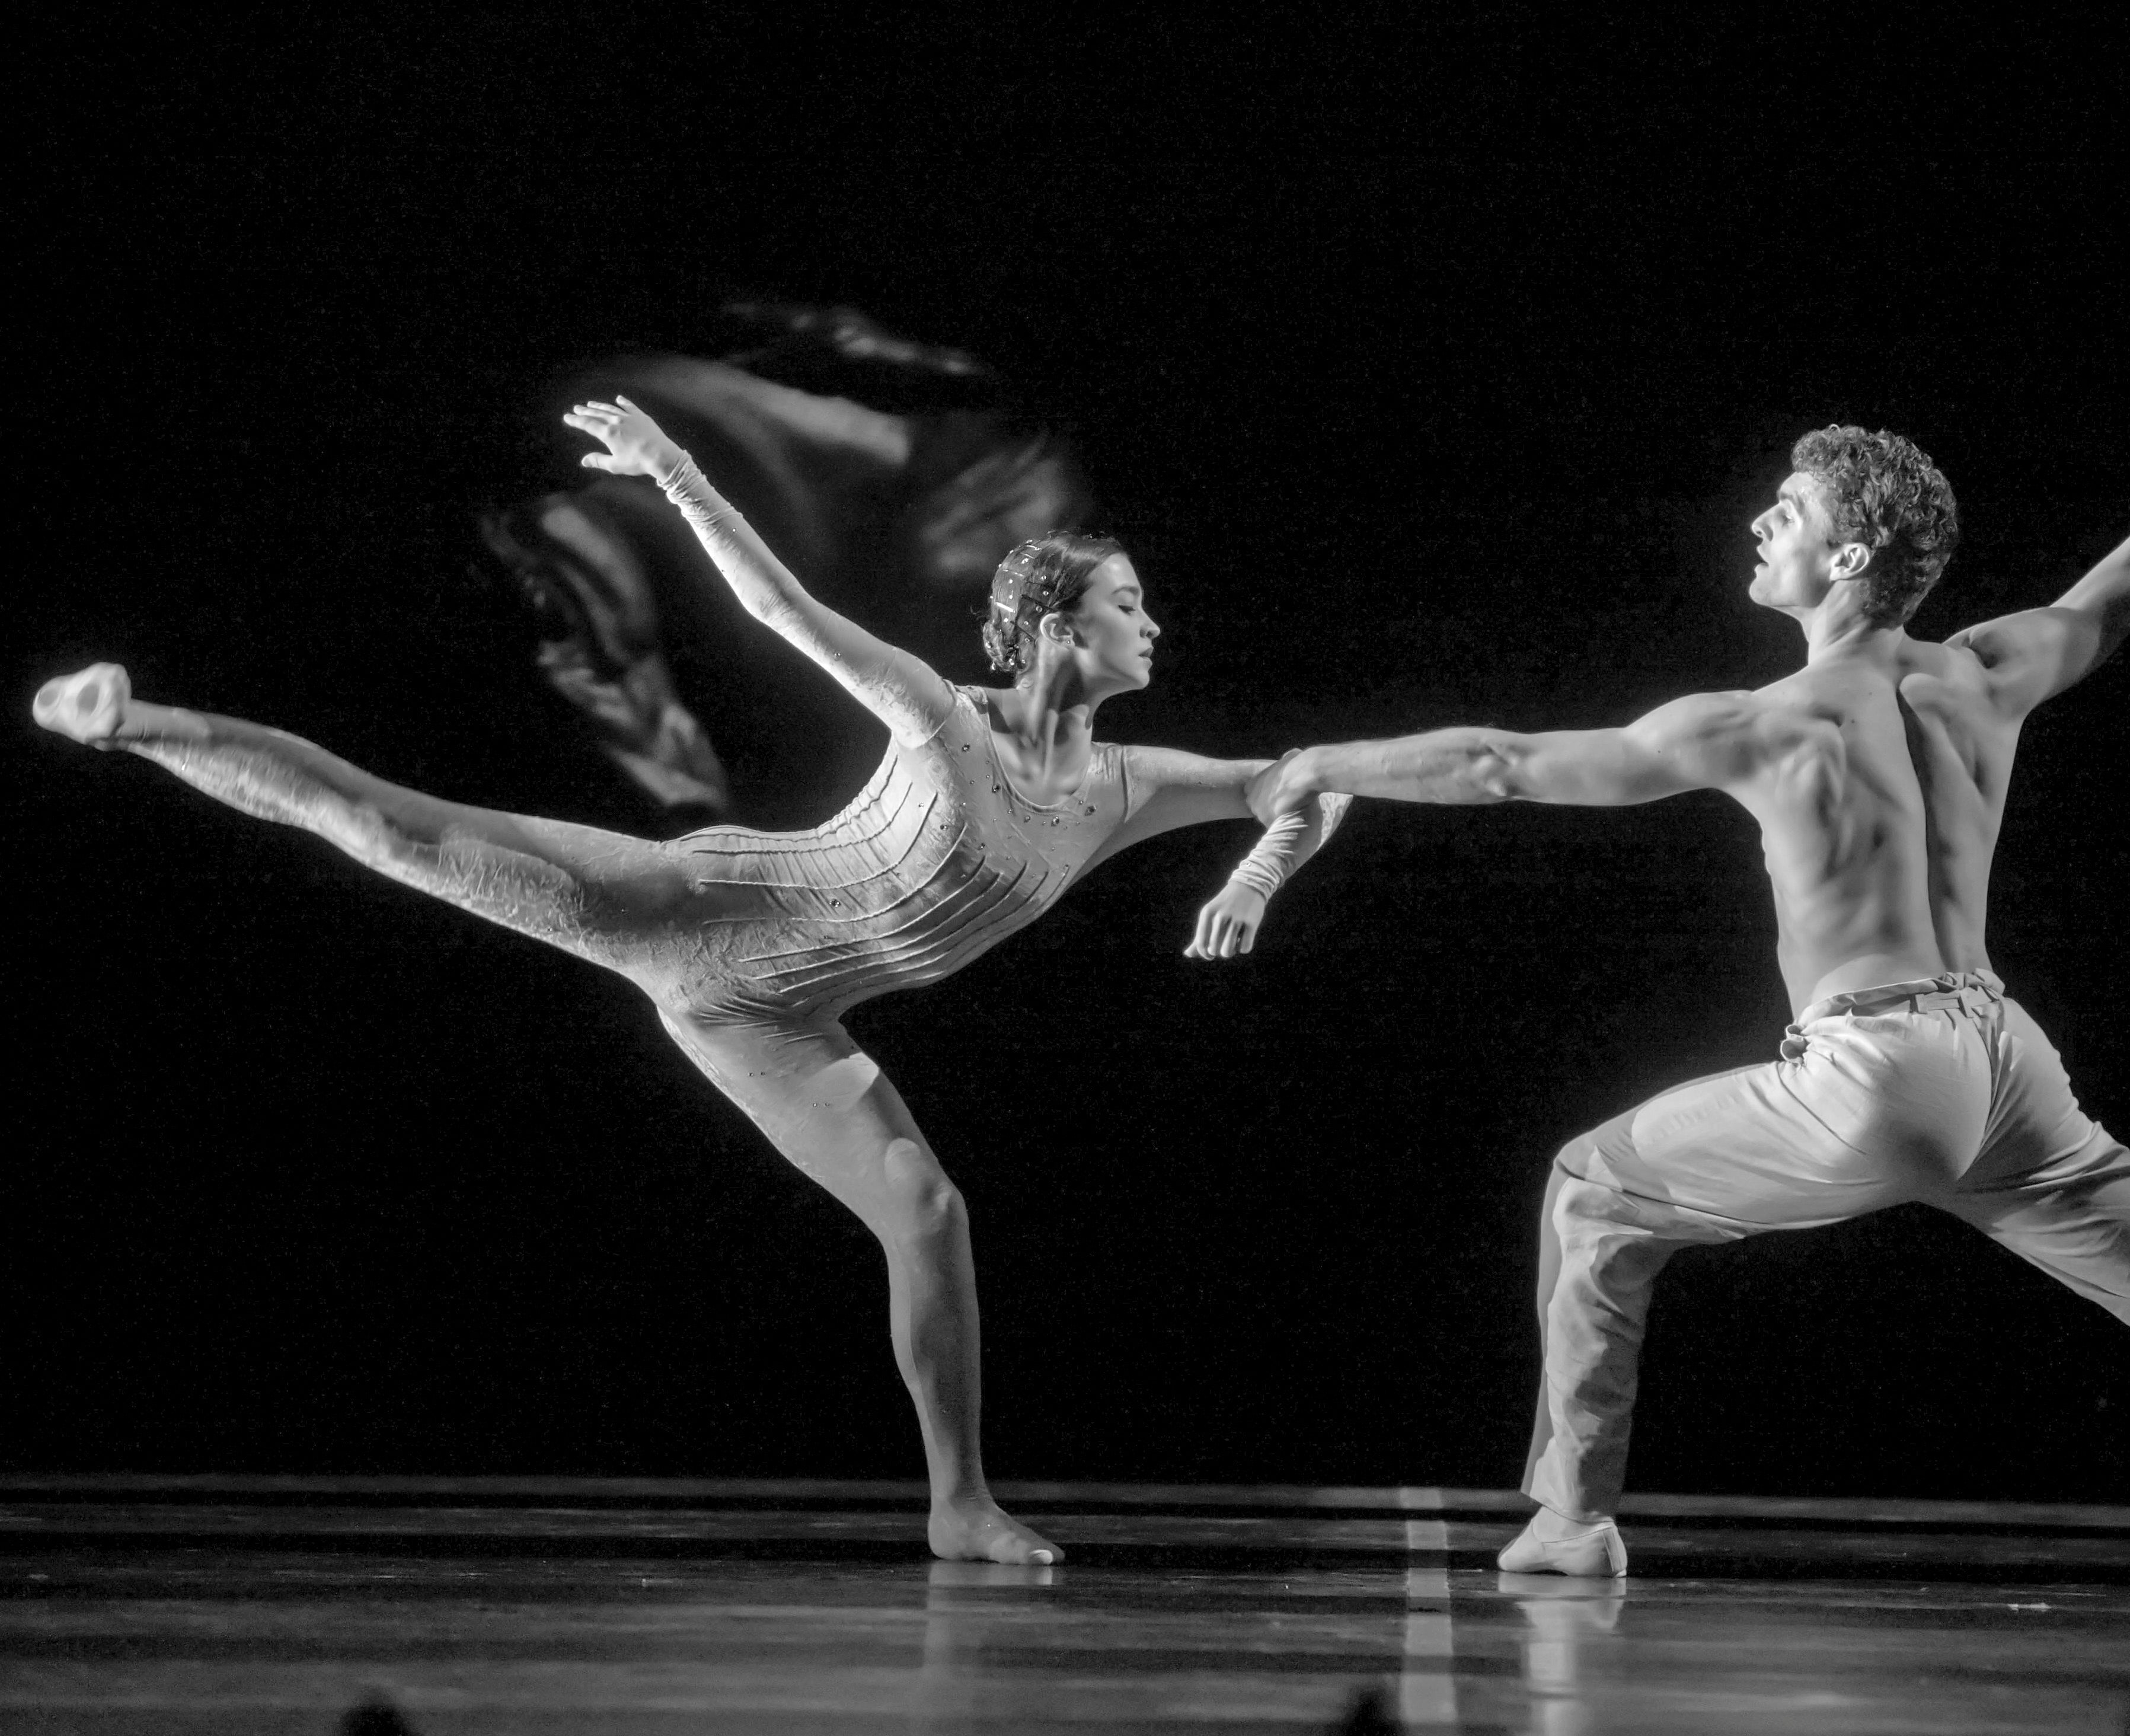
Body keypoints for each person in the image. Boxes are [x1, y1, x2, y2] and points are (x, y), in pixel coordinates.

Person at [1251, 420, 2130, 1595]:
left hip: (1875, 1070)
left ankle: (1569, 1519)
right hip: (2009, 1066)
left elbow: (1499, 764)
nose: (1762, 517)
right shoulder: (1982, 673)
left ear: (1843, 561)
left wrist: (1318, 761)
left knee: (1591, 1193)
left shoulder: (1764, 721)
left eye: (1793, 507)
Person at [33, 396, 1346, 1567]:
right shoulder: (946, 720)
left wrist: (1259, 871)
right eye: (1129, 602)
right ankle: (130, 721)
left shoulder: (1122, 789)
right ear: (1056, 627)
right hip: (683, 911)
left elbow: (1301, 778)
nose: (1154, 619)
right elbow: (780, 613)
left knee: (926, 1216)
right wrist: (674, 473)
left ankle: (957, 1506)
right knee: (388, 829)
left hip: (779, 1024)